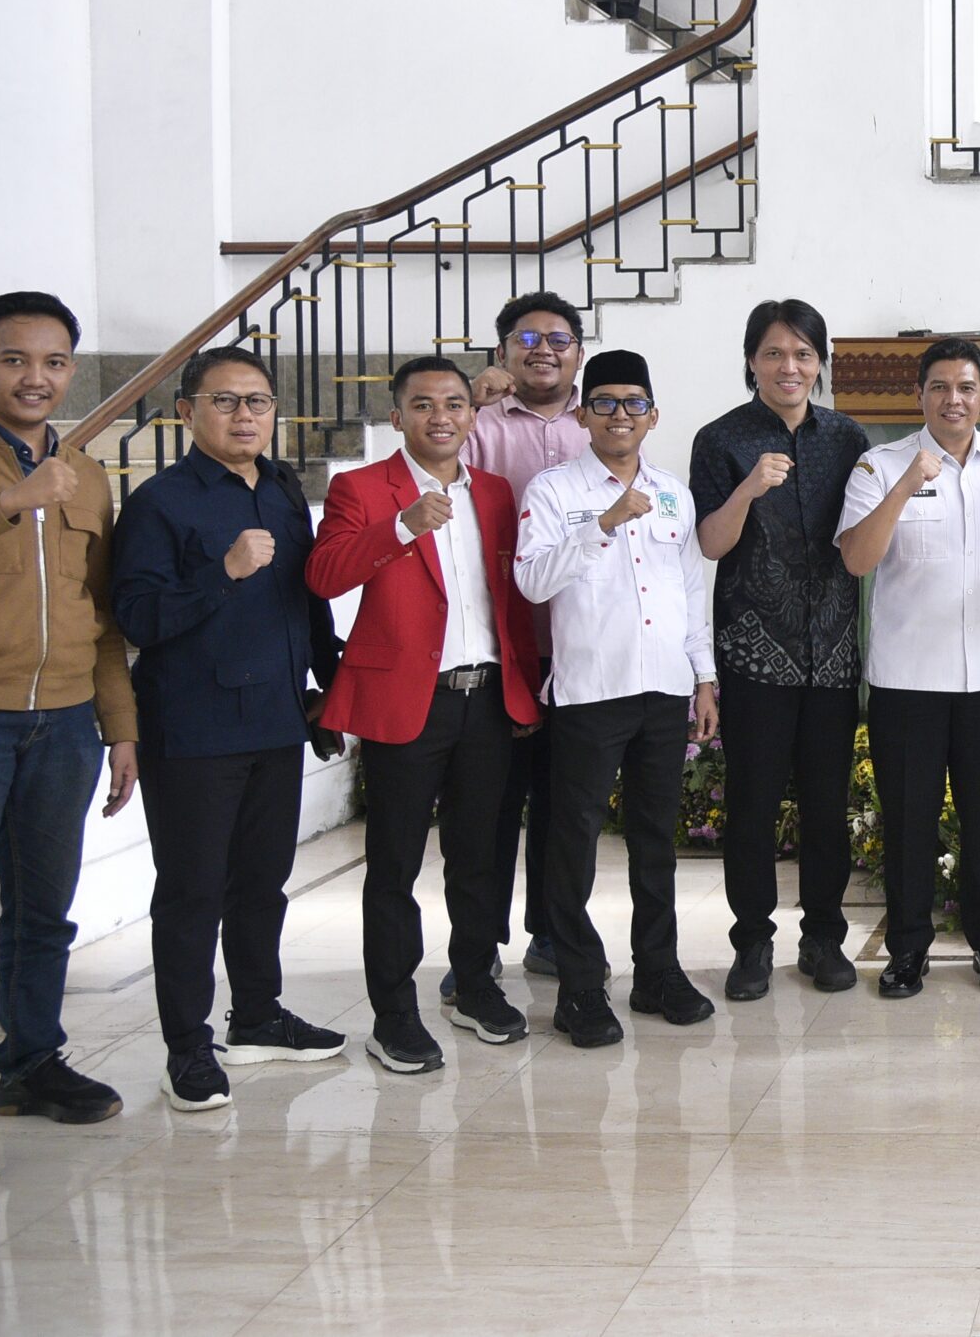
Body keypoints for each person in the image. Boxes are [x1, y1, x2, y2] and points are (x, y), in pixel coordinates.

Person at [112, 348, 347, 1112]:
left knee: (262, 884)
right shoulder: (160, 502)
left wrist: (328, 683)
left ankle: (257, 1016)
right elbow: (137, 616)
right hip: (193, 730)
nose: (245, 415)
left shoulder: (281, 487)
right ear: (187, 411)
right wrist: (223, 572)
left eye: (258, 401)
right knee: (192, 894)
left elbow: (307, 598)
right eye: (225, 400)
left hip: (276, 720)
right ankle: (187, 1049)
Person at [307, 357, 540, 1076]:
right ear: (397, 415)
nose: (441, 416)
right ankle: (394, 1014)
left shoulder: (495, 491)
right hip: (407, 703)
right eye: (423, 404)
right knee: (395, 865)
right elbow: (324, 576)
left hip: (487, 699)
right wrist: (401, 527)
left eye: (454, 404)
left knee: (479, 858)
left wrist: (524, 688)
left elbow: (511, 597)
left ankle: (473, 985)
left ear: (473, 414)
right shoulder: (360, 487)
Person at [0, 293, 138, 1187]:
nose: (36, 377)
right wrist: (8, 502)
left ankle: (30, 1065)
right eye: (15, 358)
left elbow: (100, 614)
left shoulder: (88, 475)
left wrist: (120, 727)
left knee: (41, 914)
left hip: (65, 720)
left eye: (55, 361)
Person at [514, 351, 718, 1048]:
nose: (619, 415)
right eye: (604, 402)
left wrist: (703, 675)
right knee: (572, 840)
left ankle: (658, 971)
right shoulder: (553, 489)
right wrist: (599, 524)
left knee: (655, 839)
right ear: (582, 414)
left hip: (663, 688)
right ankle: (578, 986)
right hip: (590, 692)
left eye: (633, 403)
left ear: (652, 415)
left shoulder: (673, 494)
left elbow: (690, 590)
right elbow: (532, 581)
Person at [836, 338, 980, 999]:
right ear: (920, 395)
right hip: (907, 681)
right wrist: (906, 485)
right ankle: (906, 951)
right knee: (908, 822)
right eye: (940, 387)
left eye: (966, 387)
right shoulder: (879, 465)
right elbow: (857, 560)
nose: (954, 399)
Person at [690, 299, 870, 1001]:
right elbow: (711, 544)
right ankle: (752, 942)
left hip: (833, 654)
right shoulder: (720, 440)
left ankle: (823, 937)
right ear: (751, 361)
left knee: (827, 805)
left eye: (802, 353)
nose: (788, 366)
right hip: (754, 653)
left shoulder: (849, 439)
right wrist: (748, 487)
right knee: (752, 803)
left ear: (819, 363)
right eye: (773, 353)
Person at [460, 291, 593, 993]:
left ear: (579, 352)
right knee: (488, 803)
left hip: (576, 647)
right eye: (527, 338)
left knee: (563, 802)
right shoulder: (477, 423)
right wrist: (472, 395)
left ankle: (551, 932)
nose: (544, 350)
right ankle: (476, 946)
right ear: (503, 351)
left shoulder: (600, 422)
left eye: (559, 338)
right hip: (497, 642)